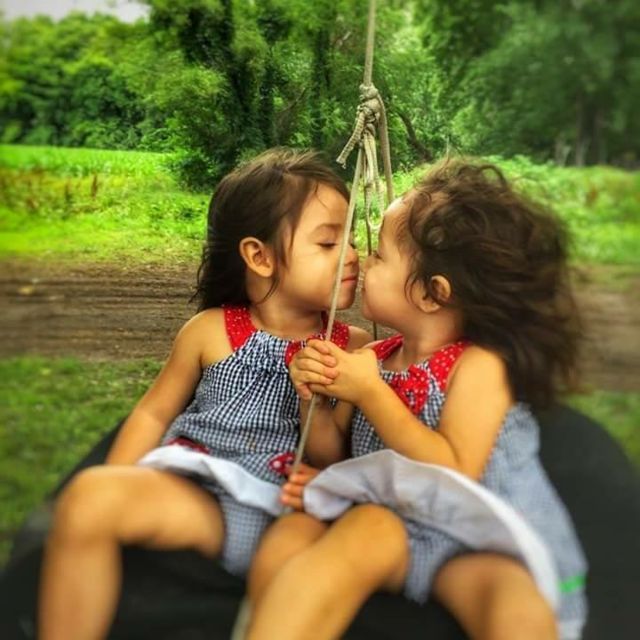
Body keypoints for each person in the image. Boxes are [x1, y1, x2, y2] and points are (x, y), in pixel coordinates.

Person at [37, 148, 374, 640]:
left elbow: (338, 454)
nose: (352, 254)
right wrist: (124, 473)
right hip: (201, 497)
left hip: (286, 509)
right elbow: (153, 415)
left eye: (351, 239)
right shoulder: (210, 331)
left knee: (304, 568)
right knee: (89, 498)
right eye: (328, 243)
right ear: (259, 257)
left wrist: (316, 414)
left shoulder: (355, 349)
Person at [247, 158, 588, 640]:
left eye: (379, 256)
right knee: (309, 547)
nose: (362, 262)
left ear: (432, 294)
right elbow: (330, 452)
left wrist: (370, 392)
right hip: (394, 527)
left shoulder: (477, 366)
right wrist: (313, 399)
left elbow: (454, 471)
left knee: (514, 601)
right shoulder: (371, 358)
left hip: (477, 535)